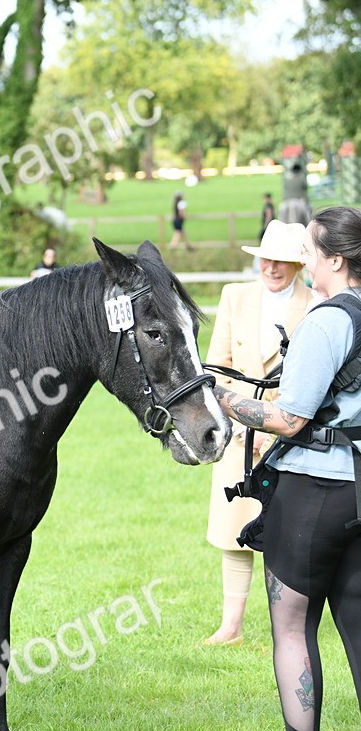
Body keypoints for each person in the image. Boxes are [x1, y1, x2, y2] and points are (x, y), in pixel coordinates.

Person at [212, 206, 361, 730]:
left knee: (293, 629)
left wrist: (221, 397)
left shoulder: (329, 320)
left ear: (336, 260)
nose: (305, 259)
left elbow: (290, 418)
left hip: (314, 493)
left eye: (311, 250)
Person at [202, 221, 313, 647]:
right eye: (266, 257)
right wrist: (234, 422)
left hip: (291, 430)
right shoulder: (235, 296)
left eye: (282, 260)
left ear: (298, 264)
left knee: (286, 530)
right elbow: (215, 366)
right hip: (237, 430)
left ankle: (287, 625)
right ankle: (232, 626)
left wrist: (280, 427)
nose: (271, 267)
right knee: (234, 528)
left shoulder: (317, 303)